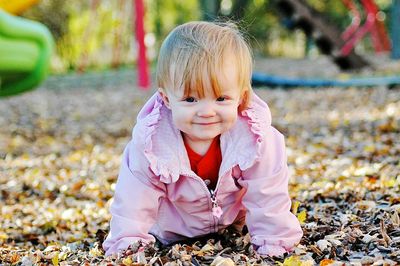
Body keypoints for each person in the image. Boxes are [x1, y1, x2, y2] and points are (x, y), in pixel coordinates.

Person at [103, 21, 303, 257]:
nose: (206, 111)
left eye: (221, 98)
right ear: (167, 99)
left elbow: (267, 195)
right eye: (190, 99)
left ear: (241, 97)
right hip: (171, 232)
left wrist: (274, 243)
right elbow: (132, 202)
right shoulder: (150, 147)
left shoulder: (256, 140)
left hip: (234, 225)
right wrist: (128, 244)